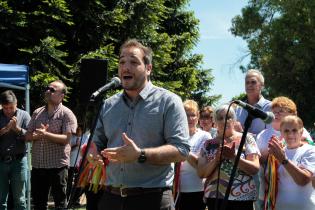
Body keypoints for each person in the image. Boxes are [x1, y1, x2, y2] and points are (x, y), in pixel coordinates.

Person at [92, 39, 190, 210]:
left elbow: (181, 150)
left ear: (148, 68)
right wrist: (93, 154)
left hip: (153, 199)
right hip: (110, 198)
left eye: (134, 62)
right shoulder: (107, 105)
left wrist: (140, 154)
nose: (125, 67)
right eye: (122, 62)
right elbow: (96, 143)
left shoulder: (169, 102)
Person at [26, 80, 77, 210]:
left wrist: (46, 134)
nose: (48, 91)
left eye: (53, 90)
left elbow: (66, 139)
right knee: (38, 203)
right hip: (38, 165)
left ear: (62, 96)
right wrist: (36, 136)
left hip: (57, 166)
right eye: (47, 88)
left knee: (59, 204)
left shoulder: (66, 114)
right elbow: (27, 136)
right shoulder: (37, 112)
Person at [197, 104, 260, 210]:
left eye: (228, 117)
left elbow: (254, 169)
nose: (224, 120)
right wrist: (216, 160)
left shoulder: (246, 138)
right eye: (220, 118)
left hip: (242, 198)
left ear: (234, 120)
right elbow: (201, 173)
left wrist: (233, 157)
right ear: (215, 122)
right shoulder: (208, 144)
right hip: (215, 198)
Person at [267, 115, 315, 210]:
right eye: (286, 131)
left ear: (301, 132)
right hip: (280, 207)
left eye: (294, 130)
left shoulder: (310, 150)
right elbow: (270, 182)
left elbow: (303, 180)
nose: (290, 134)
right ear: (281, 133)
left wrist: (283, 159)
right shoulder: (277, 152)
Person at [175, 100, 211, 210]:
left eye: (193, 115)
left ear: (198, 116)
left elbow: (200, 166)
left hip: (196, 190)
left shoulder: (205, 136)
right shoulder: (176, 135)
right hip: (175, 190)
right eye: (186, 115)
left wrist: (182, 150)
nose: (190, 118)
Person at [0, 90, 31, 210]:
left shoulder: (24, 115)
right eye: (5, 108)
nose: (8, 111)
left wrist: (16, 129)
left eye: (11, 107)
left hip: (19, 161)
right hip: (1, 161)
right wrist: (3, 131)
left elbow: (30, 136)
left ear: (16, 103)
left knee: (20, 199)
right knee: (1, 199)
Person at [235, 69, 272, 135]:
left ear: (262, 86)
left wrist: (242, 133)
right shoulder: (239, 109)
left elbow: (269, 137)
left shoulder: (270, 107)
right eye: (247, 82)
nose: (249, 85)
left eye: (253, 82)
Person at [67, 125, 89, 207]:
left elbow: (86, 150)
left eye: (79, 129)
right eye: (76, 129)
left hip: (80, 164)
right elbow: (67, 150)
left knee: (79, 183)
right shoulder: (71, 137)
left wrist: (81, 147)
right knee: (69, 183)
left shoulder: (85, 137)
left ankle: (76, 200)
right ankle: (67, 199)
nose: (77, 131)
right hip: (71, 164)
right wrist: (76, 145)